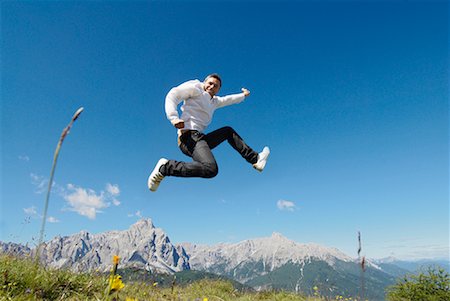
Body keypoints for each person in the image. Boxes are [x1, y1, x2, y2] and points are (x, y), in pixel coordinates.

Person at [147, 73, 270, 192]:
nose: (211, 87)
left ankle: (255, 159)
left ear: (218, 90)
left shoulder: (215, 101)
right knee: (211, 169)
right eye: (210, 83)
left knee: (227, 131)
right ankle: (166, 167)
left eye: (215, 86)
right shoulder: (196, 89)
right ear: (204, 82)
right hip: (189, 137)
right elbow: (173, 95)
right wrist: (173, 117)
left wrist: (243, 95)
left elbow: (229, 99)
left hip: (200, 138)